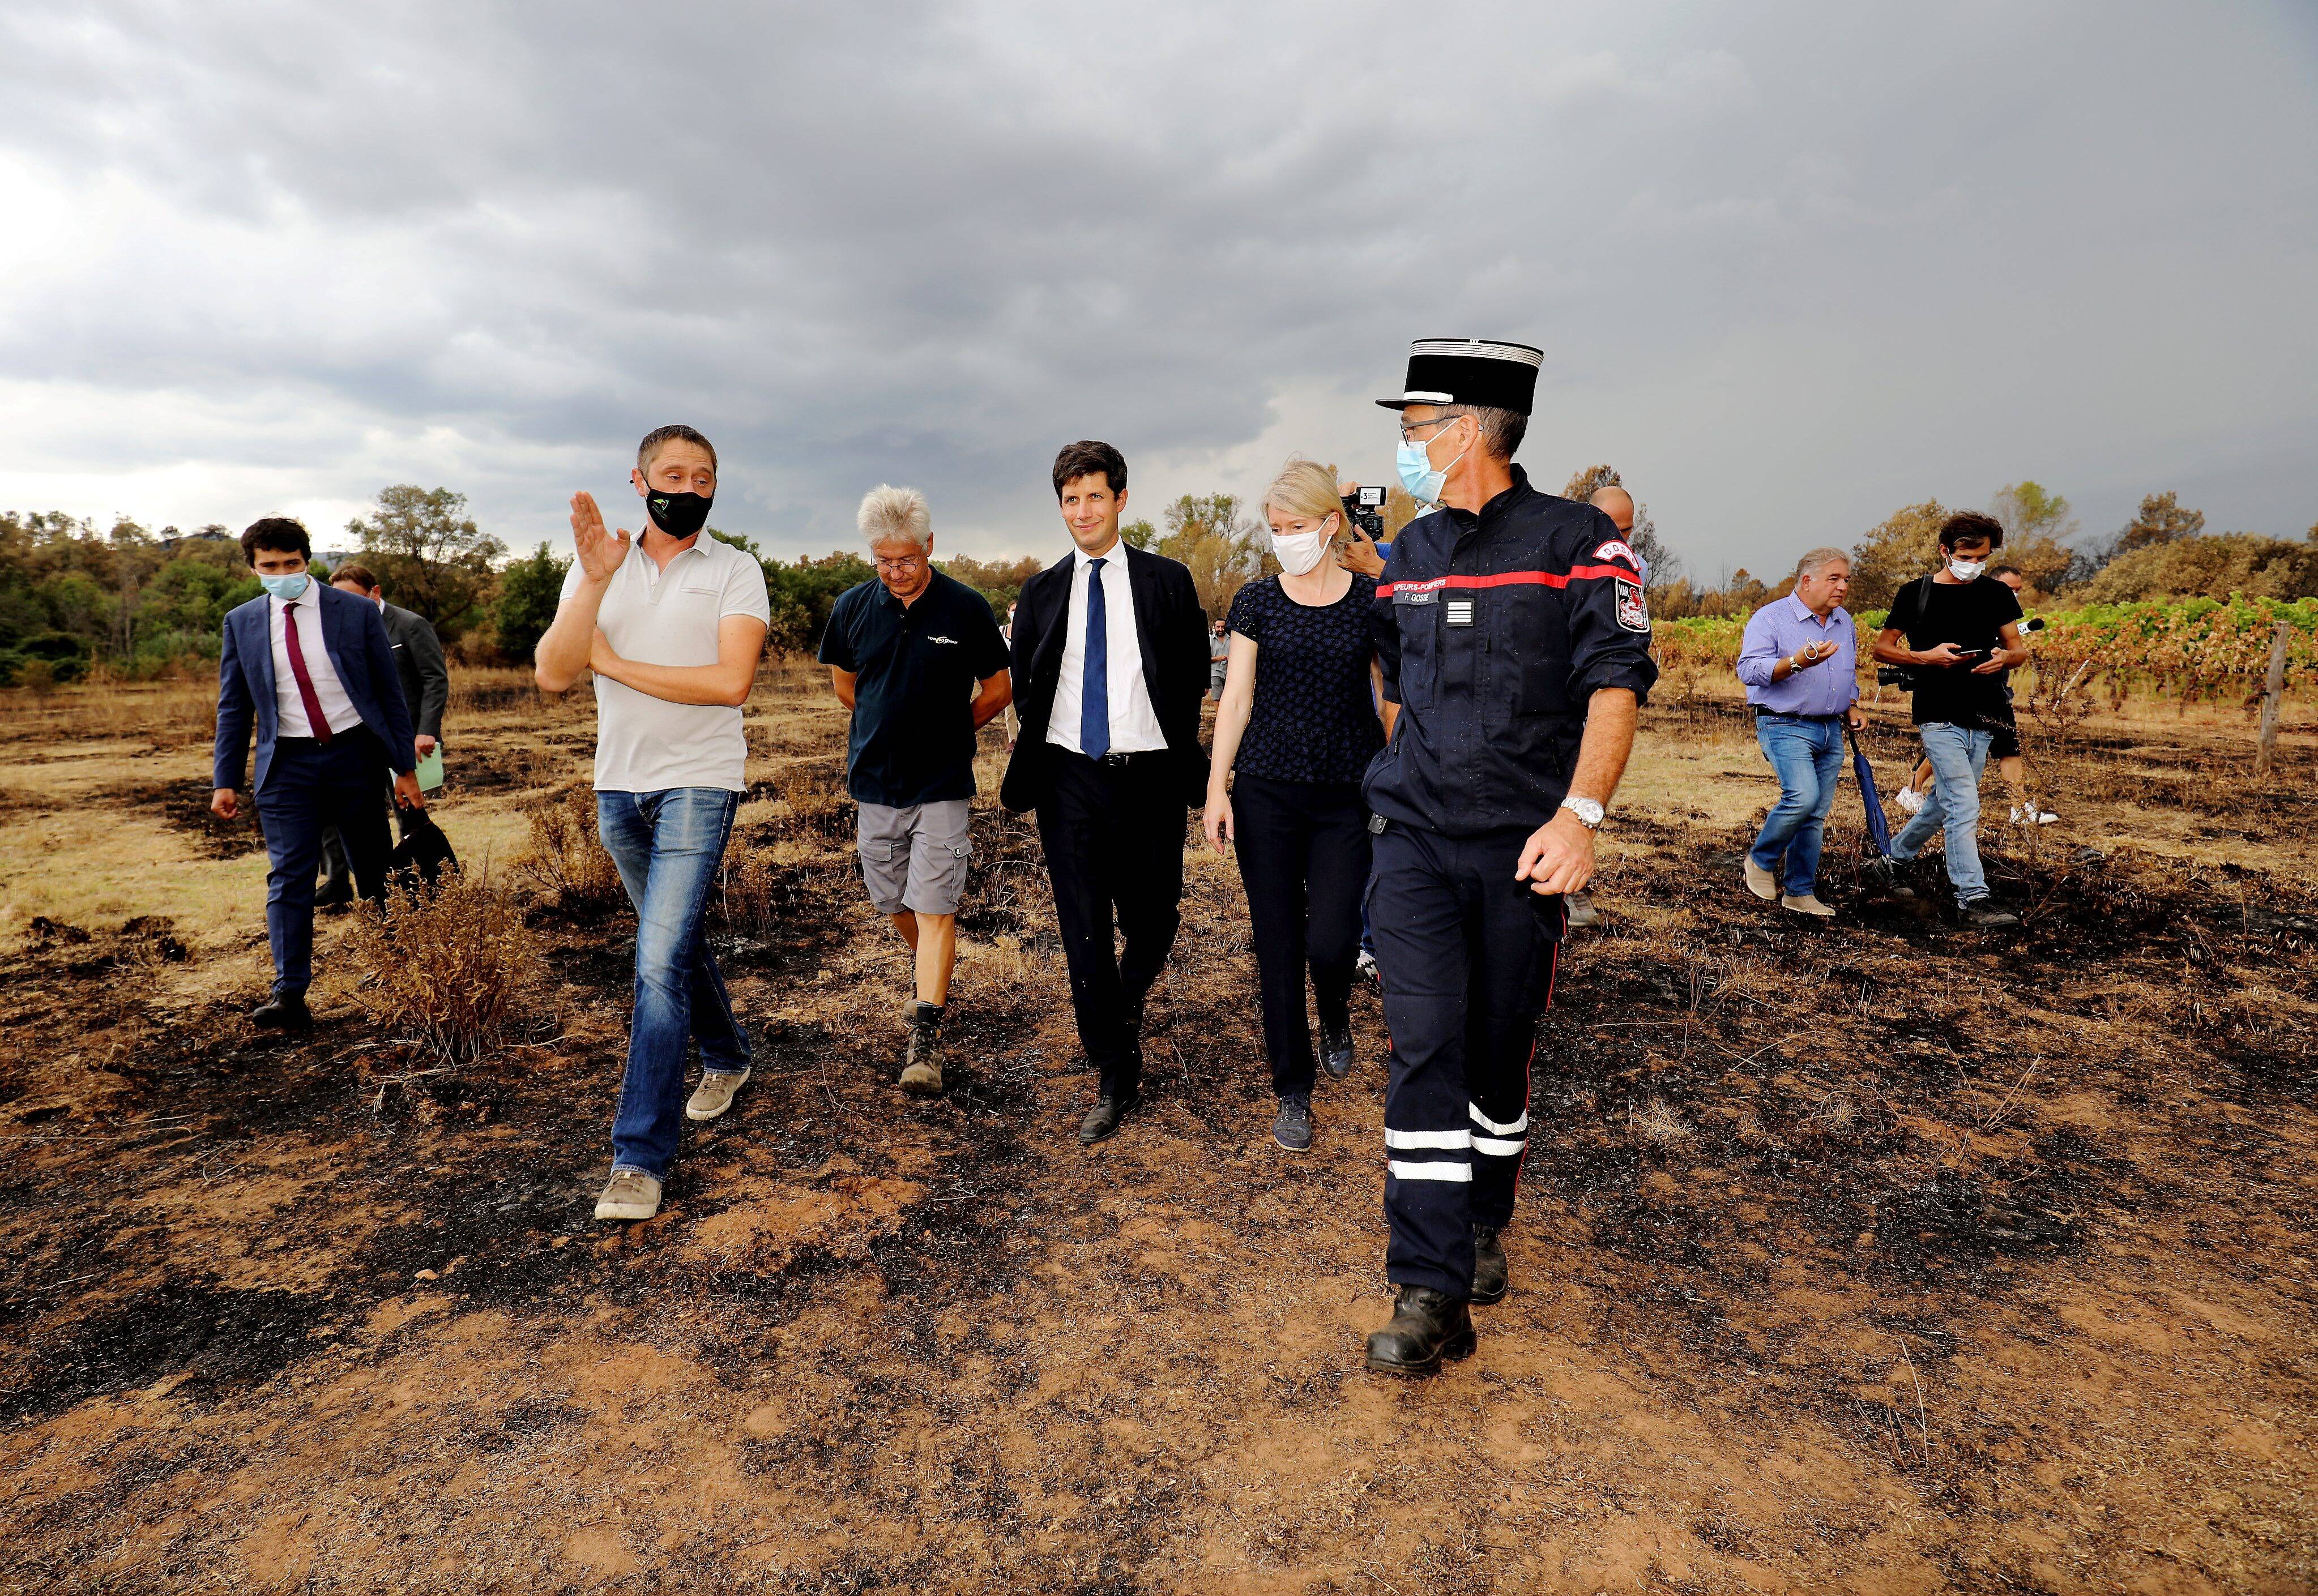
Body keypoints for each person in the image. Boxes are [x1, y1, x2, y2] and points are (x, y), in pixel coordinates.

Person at [1361, 339, 1657, 1375]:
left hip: (1522, 851)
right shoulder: (1403, 553)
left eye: (1413, 427)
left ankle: (1484, 1215)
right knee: (1422, 1043)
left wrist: (1579, 814)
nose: (1404, 447)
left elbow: (1615, 683)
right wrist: (1418, 763)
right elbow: (1389, 678)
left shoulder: (1581, 543)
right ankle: (1428, 1283)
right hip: (1410, 843)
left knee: (1495, 1046)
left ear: (1467, 428)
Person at [535, 423, 772, 1222]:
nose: (691, 485)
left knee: (656, 959)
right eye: (673, 472)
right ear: (639, 481)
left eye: (704, 475)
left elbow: (730, 682)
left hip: (700, 782)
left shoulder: (737, 570)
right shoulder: (598, 565)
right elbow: (553, 673)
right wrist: (595, 585)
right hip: (619, 788)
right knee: (675, 944)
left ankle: (638, 1156)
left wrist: (619, 662)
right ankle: (730, 1056)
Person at [998, 440, 1211, 1145]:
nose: (1082, 511)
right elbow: (1026, 682)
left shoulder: (1167, 581)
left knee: (1155, 917)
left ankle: (1118, 1003)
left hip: (1149, 775)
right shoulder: (1041, 589)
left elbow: (1188, 677)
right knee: (1082, 928)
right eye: (1070, 499)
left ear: (1121, 499)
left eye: (1094, 495)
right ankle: (1115, 1070)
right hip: (1069, 777)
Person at [1203, 458, 1390, 1154]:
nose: (1283, 538)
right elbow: (1237, 697)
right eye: (1274, 528)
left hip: (1347, 793)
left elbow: (1389, 691)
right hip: (1268, 792)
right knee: (1278, 944)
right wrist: (1216, 785)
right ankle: (1292, 1085)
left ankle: (1336, 1011)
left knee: (1332, 938)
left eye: (1294, 526)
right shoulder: (1257, 600)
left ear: (1330, 524)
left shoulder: (1372, 601)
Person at [819, 485, 1013, 1096]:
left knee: (934, 906)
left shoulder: (966, 607)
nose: (896, 571)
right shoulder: (852, 607)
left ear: (929, 545)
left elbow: (999, 687)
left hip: (942, 784)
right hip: (874, 781)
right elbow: (846, 687)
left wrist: (953, 730)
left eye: (906, 558)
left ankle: (925, 1036)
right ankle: (932, 966)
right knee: (894, 901)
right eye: (883, 560)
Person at [211, 518, 425, 1032]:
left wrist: (406, 768)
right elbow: (234, 706)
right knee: (289, 877)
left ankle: (396, 977)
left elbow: (388, 695)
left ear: (308, 561)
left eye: (292, 564)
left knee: (374, 869)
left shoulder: (352, 612)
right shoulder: (241, 622)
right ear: (253, 567)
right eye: (270, 566)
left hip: (354, 755)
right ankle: (289, 995)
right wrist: (225, 778)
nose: (282, 573)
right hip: (286, 764)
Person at [1868, 511, 2027, 928]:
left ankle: (1892, 862)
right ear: (1945, 551)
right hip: (1938, 713)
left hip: (1985, 712)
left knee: (1945, 802)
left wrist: (2003, 658)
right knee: (1964, 803)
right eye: (1967, 555)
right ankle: (1971, 898)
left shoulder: (1996, 593)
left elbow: (2018, 648)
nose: (1974, 564)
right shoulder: (1914, 593)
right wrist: (1923, 656)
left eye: (1983, 557)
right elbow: (1881, 648)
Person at [1734, 549, 1864, 918]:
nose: (1842, 586)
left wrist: (1852, 703)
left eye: (1846, 580)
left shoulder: (1844, 622)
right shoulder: (1771, 618)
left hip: (1829, 730)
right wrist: (1796, 663)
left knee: (1814, 815)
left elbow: (1846, 673)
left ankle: (1799, 892)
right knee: (1802, 797)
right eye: (1834, 579)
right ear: (1807, 581)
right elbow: (1749, 670)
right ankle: (1760, 860)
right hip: (1784, 723)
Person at [315, 562, 449, 909]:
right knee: (341, 814)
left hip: (404, 739)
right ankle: (338, 882)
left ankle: (424, 887)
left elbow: (435, 679)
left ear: (375, 593)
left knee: (408, 813)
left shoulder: (410, 625)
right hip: (356, 741)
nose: (346, 607)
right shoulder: (337, 630)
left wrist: (426, 731)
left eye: (355, 598)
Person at [1894, 566, 2055, 826]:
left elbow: (2016, 650)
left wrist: (2006, 654)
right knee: (1953, 751)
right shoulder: (1951, 602)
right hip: (1957, 690)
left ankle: (2019, 806)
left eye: (2018, 590)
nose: (2014, 594)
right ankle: (1913, 790)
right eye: (2010, 589)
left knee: (2008, 744)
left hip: (1994, 691)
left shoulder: (2003, 612)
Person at [1562, 481, 1651, 929]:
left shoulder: (1628, 568)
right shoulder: (1558, 557)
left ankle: (1572, 886)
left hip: (1593, 700)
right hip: (1551, 701)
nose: (1619, 537)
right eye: (1611, 526)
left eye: (1628, 530)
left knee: (1583, 788)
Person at [1208, 621, 1230, 702]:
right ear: (1215, 627)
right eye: (1218, 627)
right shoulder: (1210, 641)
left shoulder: (1232, 639)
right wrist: (1217, 658)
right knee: (1217, 698)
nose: (1221, 629)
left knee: (1228, 698)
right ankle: (1218, 715)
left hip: (1230, 673)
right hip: (1215, 672)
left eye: (1223, 627)